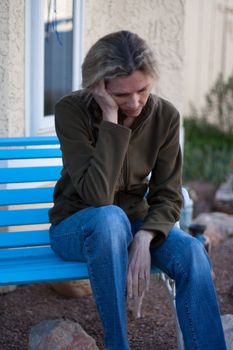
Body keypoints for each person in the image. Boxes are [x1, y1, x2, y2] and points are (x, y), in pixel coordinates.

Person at [49, 30, 226, 350]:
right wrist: (111, 121)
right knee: (109, 218)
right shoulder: (71, 112)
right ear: (97, 87)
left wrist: (146, 237)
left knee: (192, 252)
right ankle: (118, 344)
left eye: (142, 90)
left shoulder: (165, 116)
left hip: (135, 224)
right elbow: (97, 197)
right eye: (120, 96)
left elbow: (169, 194)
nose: (134, 103)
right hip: (78, 226)